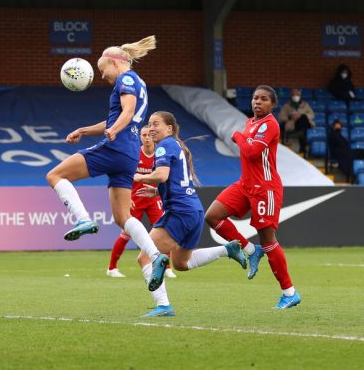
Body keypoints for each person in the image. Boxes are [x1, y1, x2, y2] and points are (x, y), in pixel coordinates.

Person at [46, 35, 170, 291]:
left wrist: (113, 131)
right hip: (129, 153)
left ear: (115, 62)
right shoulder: (138, 82)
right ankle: (156, 256)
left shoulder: (125, 79)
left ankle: (82, 219)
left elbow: (126, 111)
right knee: (122, 217)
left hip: (117, 146)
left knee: (55, 175)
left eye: (103, 70)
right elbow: (120, 116)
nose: (102, 76)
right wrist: (85, 130)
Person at [133, 111, 247, 317]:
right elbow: (175, 179)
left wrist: (138, 176)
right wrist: (157, 191)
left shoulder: (165, 145)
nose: (151, 128)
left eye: (155, 124)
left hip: (180, 211)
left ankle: (163, 306)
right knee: (181, 263)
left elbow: (161, 175)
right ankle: (227, 250)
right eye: (149, 124)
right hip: (192, 209)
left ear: (169, 129)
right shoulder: (175, 146)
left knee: (145, 258)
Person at [205, 85, 301, 310]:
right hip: (245, 184)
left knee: (268, 240)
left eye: (264, 99)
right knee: (213, 216)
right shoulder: (251, 123)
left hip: (265, 188)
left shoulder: (270, 124)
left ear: (272, 105)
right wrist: (243, 135)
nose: (258, 102)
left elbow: (251, 152)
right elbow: (248, 152)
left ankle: (289, 293)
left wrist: (238, 136)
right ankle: (250, 250)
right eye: (256, 98)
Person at [106, 125, 174, 279]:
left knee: (164, 230)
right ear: (140, 137)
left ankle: (168, 267)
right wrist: (127, 196)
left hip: (153, 198)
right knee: (125, 234)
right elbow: (124, 175)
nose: (147, 138)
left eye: (150, 135)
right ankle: (112, 268)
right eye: (144, 135)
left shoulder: (160, 154)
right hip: (134, 198)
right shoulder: (134, 154)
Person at [278, 88, 315, 153]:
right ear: (291, 96)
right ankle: (303, 144)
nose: (295, 96)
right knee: (304, 129)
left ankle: (301, 135)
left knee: (303, 117)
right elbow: (281, 116)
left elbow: (312, 114)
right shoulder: (287, 106)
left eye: (297, 94)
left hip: (305, 122)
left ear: (300, 95)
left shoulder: (305, 105)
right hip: (292, 124)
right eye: (293, 95)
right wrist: (290, 117)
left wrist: (300, 115)